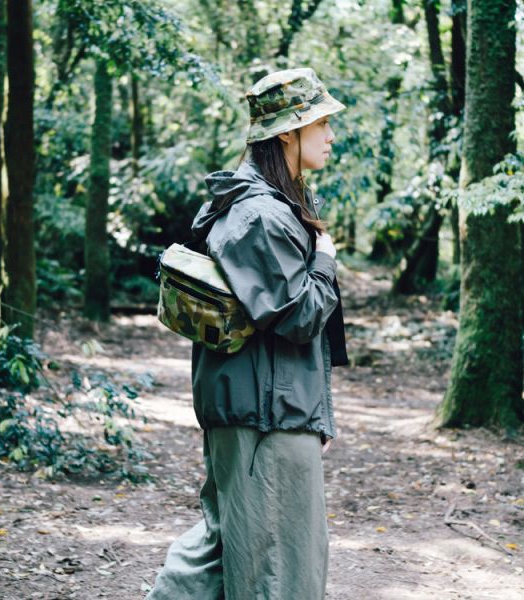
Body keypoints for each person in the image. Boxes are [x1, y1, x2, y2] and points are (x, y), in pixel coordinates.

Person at [147, 67, 348, 600]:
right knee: (280, 569)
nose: (331, 136)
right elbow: (300, 315)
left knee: (221, 553)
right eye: (322, 123)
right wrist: (325, 262)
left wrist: (316, 414)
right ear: (288, 132)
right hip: (266, 416)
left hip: (264, 408)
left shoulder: (266, 205)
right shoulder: (260, 214)